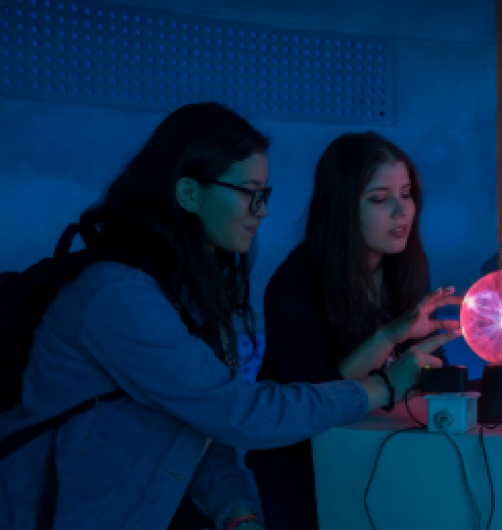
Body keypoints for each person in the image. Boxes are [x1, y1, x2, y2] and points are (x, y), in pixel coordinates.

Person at [0, 104, 458, 530]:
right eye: (248, 194)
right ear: (189, 193)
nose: (262, 212)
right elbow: (240, 412)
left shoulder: (189, 292)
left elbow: (199, 427)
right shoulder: (118, 296)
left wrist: (237, 513)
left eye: (264, 194)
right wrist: (385, 384)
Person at [246, 131, 460, 530]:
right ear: (341, 207)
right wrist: (387, 338)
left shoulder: (405, 268)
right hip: (304, 466)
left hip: (380, 455)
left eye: (407, 193)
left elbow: (422, 374)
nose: (402, 211)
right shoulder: (296, 282)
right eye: (380, 199)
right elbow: (305, 403)